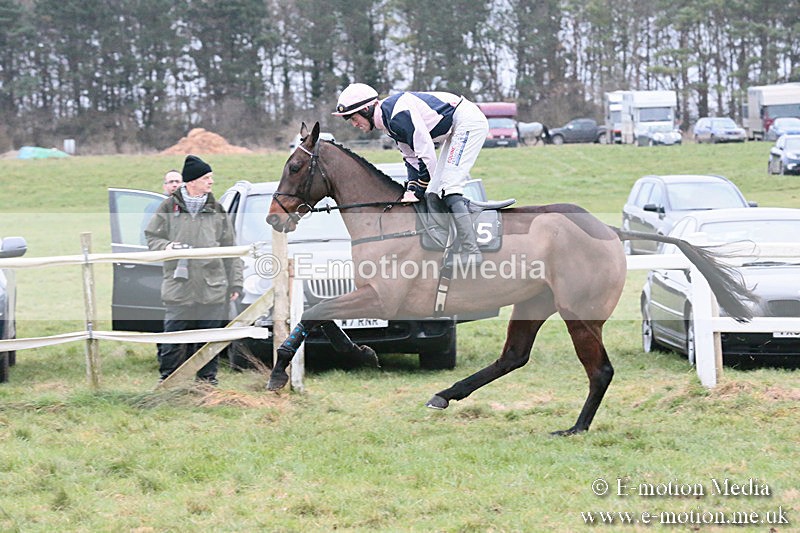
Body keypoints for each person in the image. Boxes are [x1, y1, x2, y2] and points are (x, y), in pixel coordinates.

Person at [333, 83, 488, 265]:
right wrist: (412, 189)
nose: (354, 124)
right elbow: (411, 158)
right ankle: (450, 242)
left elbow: (427, 154)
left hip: (467, 121)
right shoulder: (388, 121)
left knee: (449, 187)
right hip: (455, 127)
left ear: (366, 109)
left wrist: (420, 189)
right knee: (435, 190)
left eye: (353, 118)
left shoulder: (397, 116)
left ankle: (472, 251)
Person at [145, 155, 243, 385]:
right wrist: (168, 247)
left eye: (211, 178)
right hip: (179, 286)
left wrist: (235, 282)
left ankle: (207, 383)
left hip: (213, 286)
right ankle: (168, 381)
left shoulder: (217, 208)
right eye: (206, 178)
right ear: (192, 181)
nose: (211, 182)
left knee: (208, 338)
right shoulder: (169, 207)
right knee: (173, 337)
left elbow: (231, 248)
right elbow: (152, 236)